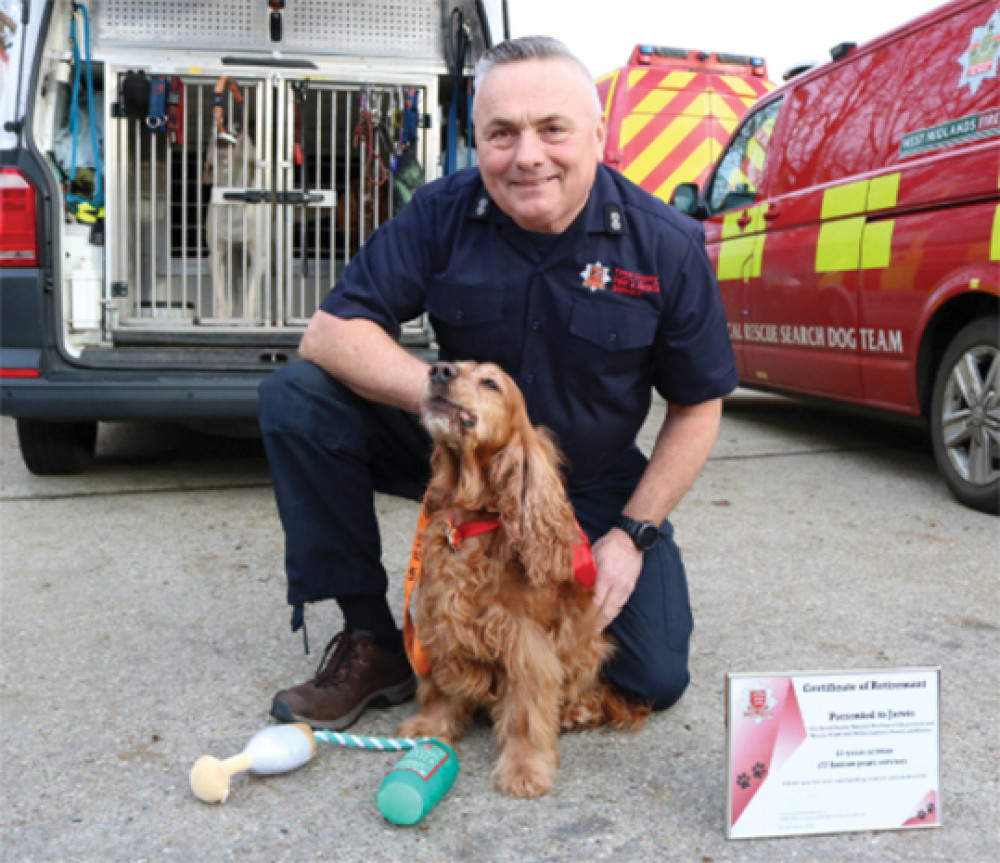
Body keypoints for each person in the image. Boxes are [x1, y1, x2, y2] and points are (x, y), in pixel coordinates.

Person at [258, 36, 738, 731]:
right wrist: (442, 396)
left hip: (588, 476)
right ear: (475, 138)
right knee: (298, 397)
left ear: (598, 134)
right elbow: (330, 333)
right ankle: (374, 639)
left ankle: (520, 657)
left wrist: (631, 536)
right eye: (501, 133)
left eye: (552, 129)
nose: (528, 156)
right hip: (465, 453)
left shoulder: (664, 244)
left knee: (650, 675)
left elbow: (698, 406)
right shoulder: (441, 212)